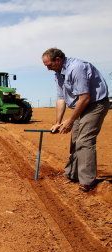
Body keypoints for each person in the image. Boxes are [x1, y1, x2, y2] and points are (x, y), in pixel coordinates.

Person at [42, 48, 109, 192]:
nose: (48, 69)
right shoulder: (58, 74)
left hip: (95, 104)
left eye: (49, 65)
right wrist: (58, 122)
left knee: (84, 140)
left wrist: (70, 121)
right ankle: (72, 174)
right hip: (81, 105)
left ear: (58, 60)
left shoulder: (76, 68)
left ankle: (87, 182)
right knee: (75, 139)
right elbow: (61, 98)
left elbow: (85, 97)